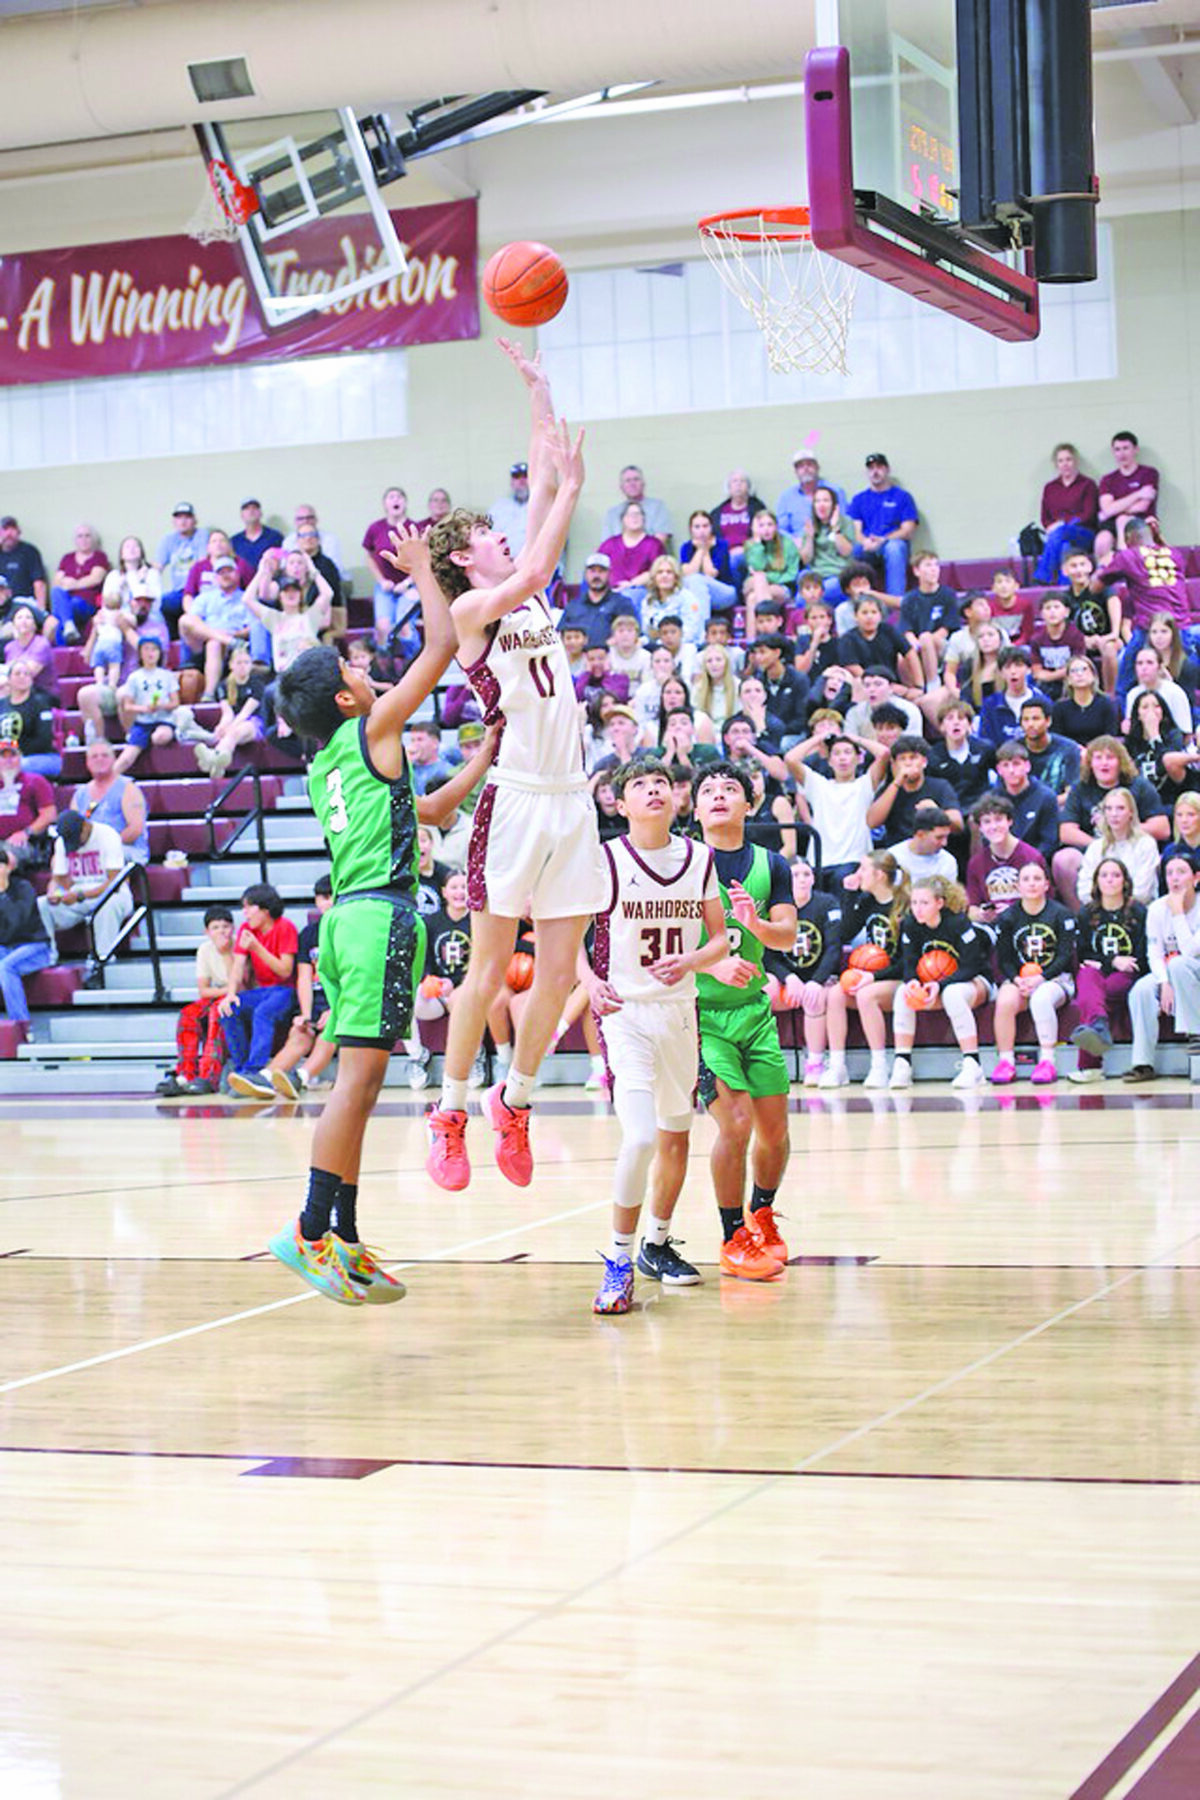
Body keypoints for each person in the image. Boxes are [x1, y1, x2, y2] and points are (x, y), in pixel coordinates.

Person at [424, 341, 608, 1194]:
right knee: (488, 970)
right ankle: (450, 1111)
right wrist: (574, 490)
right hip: (517, 800)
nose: (504, 533)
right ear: (466, 558)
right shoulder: (472, 607)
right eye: (487, 534)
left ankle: (518, 1101)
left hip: (573, 800)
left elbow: (538, 476)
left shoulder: (524, 594)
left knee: (561, 972)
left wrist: (538, 390)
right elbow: (538, 548)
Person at [263, 530, 454, 1299]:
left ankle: (343, 1236)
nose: (366, 672)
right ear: (345, 699)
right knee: (356, 1085)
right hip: (378, 918)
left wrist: (485, 762)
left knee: (363, 1086)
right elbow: (440, 646)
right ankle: (310, 1230)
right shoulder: (374, 728)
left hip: (348, 920)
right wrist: (423, 573)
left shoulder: (327, 765)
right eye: (353, 668)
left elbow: (426, 809)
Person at [583, 758, 730, 1314]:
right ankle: (618, 1262)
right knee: (641, 1136)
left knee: (675, 1134)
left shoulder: (699, 858)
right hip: (625, 1013)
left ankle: (657, 1244)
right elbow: (565, 934)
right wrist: (588, 981)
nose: (653, 791)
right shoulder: (605, 860)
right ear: (620, 804)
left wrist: (690, 960)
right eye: (640, 786)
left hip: (680, 1012)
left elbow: (720, 940)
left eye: (661, 784)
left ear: (676, 798)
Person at [691, 761, 796, 1280]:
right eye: (708, 790)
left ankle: (762, 1213)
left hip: (754, 1013)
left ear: (748, 805)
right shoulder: (682, 864)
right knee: (735, 1124)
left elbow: (787, 937)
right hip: (701, 1016)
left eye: (729, 789)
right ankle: (732, 1237)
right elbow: (661, 945)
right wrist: (711, 964)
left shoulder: (770, 865)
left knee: (774, 1131)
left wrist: (756, 925)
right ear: (694, 809)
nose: (718, 796)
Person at [890, 876, 992, 1089]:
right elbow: (908, 963)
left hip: (975, 981)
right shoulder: (910, 924)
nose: (918, 909)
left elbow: (972, 965)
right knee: (903, 993)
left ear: (939, 903)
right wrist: (912, 982)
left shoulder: (958, 923)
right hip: (936, 985)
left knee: (953, 994)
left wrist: (941, 984)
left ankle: (973, 1064)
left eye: (924, 903)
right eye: (914, 903)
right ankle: (902, 1063)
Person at [819, 850, 910, 1089]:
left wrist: (873, 976)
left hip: (900, 977)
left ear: (879, 875)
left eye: (863, 869)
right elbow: (844, 933)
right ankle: (837, 1066)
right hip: (875, 976)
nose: (857, 874)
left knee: (866, 995)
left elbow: (908, 961)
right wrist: (850, 893)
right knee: (836, 994)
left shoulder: (905, 906)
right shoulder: (867, 901)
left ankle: (879, 1066)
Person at [989, 861, 1077, 1085]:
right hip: (1021, 979)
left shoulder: (1062, 914)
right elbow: (1004, 959)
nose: (1031, 884)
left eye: (1037, 879)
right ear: (1018, 886)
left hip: (1056, 978)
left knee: (1041, 998)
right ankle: (1006, 1062)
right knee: (1005, 1000)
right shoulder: (1007, 918)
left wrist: (1041, 978)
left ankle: (1047, 1061)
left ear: (1047, 884)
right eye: (1026, 879)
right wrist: (1017, 980)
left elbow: (1064, 956)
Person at [1055, 736, 1170, 903]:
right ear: (1090, 763)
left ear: (1120, 762)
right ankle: (1081, 914)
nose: (1104, 763)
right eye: (1098, 758)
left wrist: (1123, 832)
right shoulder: (1080, 788)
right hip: (1095, 849)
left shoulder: (1140, 786)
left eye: (1110, 757)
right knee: (1064, 859)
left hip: (1132, 846)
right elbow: (1066, 831)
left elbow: (1162, 828)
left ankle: (1134, 909)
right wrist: (1102, 845)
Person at [764, 854, 842, 1084]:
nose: (801, 879)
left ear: (813, 878)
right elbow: (767, 954)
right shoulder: (775, 907)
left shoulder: (827, 904)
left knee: (814, 998)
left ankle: (815, 1064)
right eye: (795, 874)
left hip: (816, 978)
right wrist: (788, 978)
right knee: (764, 990)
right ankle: (764, 1061)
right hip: (787, 978)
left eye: (806, 874)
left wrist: (816, 981)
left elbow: (833, 949)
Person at [1068, 858, 1148, 1083]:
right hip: (1100, 972)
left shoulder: (1139, 912)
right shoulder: (1086, 914)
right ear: (1096, 882)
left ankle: (1091, 1066)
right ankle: (1099, 1024)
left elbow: (1141, 958)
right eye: (1104, 875)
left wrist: (1110, 964)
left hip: (1128, 975)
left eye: (1116, 875)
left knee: (1096, 995)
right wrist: (1112, 961)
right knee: (1086, 975)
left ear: (1125, 881)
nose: (1110, 880)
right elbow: (1084, 956)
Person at [785, 722, 890, 889]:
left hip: (852, 862)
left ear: (858, 758)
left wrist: (853, 738)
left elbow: (884, 753)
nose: (842, 758)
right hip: (819, 861)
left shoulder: (864, 785)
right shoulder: (819, 785)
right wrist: (820, 738)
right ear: (829, 761)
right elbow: (791, 758)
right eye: (836, 753)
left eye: (848, 752)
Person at [1124, 853, 1200, 1082]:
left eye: (1181, 872)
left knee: (1178, 963)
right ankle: (1143, 1063)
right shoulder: (1157, 908)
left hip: (1194, 970)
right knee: (1141, 990)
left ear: (1196, 878)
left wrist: (1177, 913)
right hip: (1171, 972)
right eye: (1169, 873)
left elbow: (1190, 951)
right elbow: (1154, 954)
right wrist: (1164, 982)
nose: (1174, 878)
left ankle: (1196, 1033)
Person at [263, 876, 338, 1100]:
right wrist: (305, 1014)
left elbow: (353, 978)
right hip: (315, 1000)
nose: (327, 902)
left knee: (329, 1032)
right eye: (322, 897)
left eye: (332, 896)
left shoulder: (350, 933)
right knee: (299, 1034)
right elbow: (304, 977)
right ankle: (265, 1078)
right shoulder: (308, 934)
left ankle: (301, 1078)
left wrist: (334, 1009)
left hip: (341, 1003)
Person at [38, 807, 130, 985]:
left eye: (76, 839)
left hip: (112, 894)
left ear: (85, 826)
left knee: (108, 905)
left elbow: (115, 882)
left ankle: (102, 962)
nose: (75, 845)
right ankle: (49, 957)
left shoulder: (108, 835)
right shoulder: (62, 842)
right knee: (42, 905)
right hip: (78, 895)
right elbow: (57, 879)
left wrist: (81, 895)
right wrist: (54, 892)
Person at [156, 904, 236, 1098]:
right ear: (206, 932)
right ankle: (186, 1074)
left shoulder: (239, 947)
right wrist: (225, 990)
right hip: (220, 993)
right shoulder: (205, 950)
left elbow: (239, 984)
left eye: (225, 926)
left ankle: (209, 1075)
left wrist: (226, 953)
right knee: (188, 1014)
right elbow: (203, 991)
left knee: (218, 1011)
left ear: (233, 928)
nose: (221, 931)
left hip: (238, 996)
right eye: (215, 927)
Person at [867, 735, 963, 846]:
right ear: (895, 764)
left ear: (924, 762)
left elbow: (958, 826)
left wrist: (936, 812)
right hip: (897, 850)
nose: (908, 763)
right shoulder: (889, 790)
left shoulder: (941, 786)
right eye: (902, 759)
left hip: (932, 848)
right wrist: (897, 782)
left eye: (913, 758)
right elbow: (872, 822)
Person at [846, 453, 918, 596]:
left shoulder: (902, 497)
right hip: (868, 545)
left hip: (892, 543)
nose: (875, 471)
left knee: (894, 548)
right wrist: (866, 542)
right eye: (871, 468)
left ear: (887, 470)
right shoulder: (859, 499)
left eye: (879, 467)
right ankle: (860, 600)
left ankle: (895, 601)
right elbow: (856, 531)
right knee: (855, 550)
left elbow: (908, 530)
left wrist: (884, 540)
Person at [966, 794, 1046, 922]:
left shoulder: (1032, 857)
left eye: (998, 820)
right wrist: (982, 915)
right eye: (987, 822)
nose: (993, 827)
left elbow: (1045, 902)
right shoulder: (976, 863)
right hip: (993, 925)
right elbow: (972, 908)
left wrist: (1013, 911)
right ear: (980, 827)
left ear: (1009, 821)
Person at [70, 737, 149, 864]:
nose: (99, 759)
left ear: (114, 759)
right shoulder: (80, 794)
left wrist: (105, 845)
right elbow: (73, 828)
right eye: (94, 756)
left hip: (125, 850)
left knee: (101, 859)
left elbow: (135, 829)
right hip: (90, 852)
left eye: (105, 755)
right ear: (87, 763)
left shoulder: (128, 788)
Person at [1076, 787, 1159, 906]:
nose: (1114, 814)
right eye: (1109, 809)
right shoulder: (1096, 847)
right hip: (1100, 909)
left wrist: (1115, 904)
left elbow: (1142, 892)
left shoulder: (1146, 844)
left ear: (1131, 812)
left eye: (1120, 808)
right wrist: (1106, 905)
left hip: (1136, 910)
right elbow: (1084, 889)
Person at [0, 840, 51, 1030]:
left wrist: (2, 893)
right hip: (7, 947)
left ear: (7, 868)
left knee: (6, 967)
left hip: (35, 947)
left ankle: (21, 1026)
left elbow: (17, 922)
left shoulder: (24, 888)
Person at [112, 637, 179, 776]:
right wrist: (144, 709)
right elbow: (128, 706)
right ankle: (107, 779)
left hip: (164, 720)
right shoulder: (134, 677)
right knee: (127, 757)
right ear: (140, 653)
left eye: (154, 649)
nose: (150, 653)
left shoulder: (167, 676)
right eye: (146, 649)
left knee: (161, 737)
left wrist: (161, 706)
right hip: (142, 722)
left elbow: (175, 703)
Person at [1035, 442, 1099, 580]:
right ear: (1056, 464)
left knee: (1061, 532)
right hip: (1058, 537)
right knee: (1065, 547)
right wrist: (1052, 527)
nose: (1065, 464)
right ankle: (1064, 587)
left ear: (1075, 461)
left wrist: (1062, 525)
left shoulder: (1087, 484)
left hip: (1084, 533)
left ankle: (1042, 577)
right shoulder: (1050, 488)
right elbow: (1045, 518)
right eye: (1061, 461)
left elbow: (1088, 514)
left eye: (1068, 459)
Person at [1061, 550, 1121, 693]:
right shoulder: (1065, 597)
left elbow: (1114, 603)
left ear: (1090, 567)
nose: (1079, 570)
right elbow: (1066, 627)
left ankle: (1111, 695)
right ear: (1065, 571)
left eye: (1082, 565)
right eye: (1074, 566)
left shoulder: (1102, 589)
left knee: (1109, 649)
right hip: (1081, 641)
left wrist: (1113, 634)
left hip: (1108, 639)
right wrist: (1083, 639)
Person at [1094, 430, 1159, 561]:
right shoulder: (1108, 479)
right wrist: (1138, 494)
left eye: (1126, 448)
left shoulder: (1149, 473)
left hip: (1142, 520)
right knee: (1102, 541)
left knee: (1123, 520)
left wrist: (1115, 509)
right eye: (1117, 449)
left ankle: (1125, 562)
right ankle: (1104, 572)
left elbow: (1141, 506)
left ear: (1135, 450)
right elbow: (1107, 509)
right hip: (1111, 523)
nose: (1122, 454)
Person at [992, 742, 1060, 865]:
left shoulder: (1046, 797)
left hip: (1035, 862)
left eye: (1016, 764)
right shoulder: (992, 799)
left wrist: (1027, 861)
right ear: (999, 770)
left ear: (1027, 766)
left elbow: (1049, 841)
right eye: (1006, 765)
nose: (1011, 770)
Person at [1125, 689, 1197, 804]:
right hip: (1140, 799)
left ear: (1163, 712)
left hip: (1170, 795)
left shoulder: (1174, 735)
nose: (1151, 712)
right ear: (1138, 715)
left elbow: (1165, 761)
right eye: (1145, 707)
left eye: (1156, 706)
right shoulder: (1131, 741)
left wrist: (1154, 735)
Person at [362, 486, 415, 644]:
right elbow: (369, 557)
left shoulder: (414, 528)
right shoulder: (375, 528)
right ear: (385, 504)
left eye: (399, 497)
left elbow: (422, 560)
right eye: (391, 497)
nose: (395, 500)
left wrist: (407, 583)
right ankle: (384, 657)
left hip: (410, 585)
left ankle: (413, 656)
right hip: (385, 586)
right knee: (382, 626)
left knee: (404, 626)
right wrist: (381, 581)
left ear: (405, 503)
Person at [898, 550, 958, 686]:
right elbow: (906, 630)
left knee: (926, 638)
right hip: (919, 643)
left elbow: (947, 628)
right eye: (928, 565)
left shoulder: (948, 594)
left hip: (942, 643)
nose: (933, 569)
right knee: (901, 656)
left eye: (936, 565)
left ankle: (932, 682)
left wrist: (926, 642)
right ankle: (916, 688)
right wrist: (916, 644)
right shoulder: (909, 599)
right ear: (916, 571)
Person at [928, 697, 995, 814]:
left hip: (981, 809)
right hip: (948, 810)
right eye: (950, 718)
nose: (956, 722)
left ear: (970, 724)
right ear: (942, 726)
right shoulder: (933, 755)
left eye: (961, 718)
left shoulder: (985, 748)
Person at [50, 523, 110, 642]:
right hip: (66, 601)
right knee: (56, 591)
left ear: (93, 539)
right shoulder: (67, 558)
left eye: (87, 536)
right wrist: (63, 582)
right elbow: (56, 582)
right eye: (80, 536)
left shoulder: (99, 557)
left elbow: (96, 578)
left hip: (87, 604)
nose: (84, 539)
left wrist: (74, 584)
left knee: (70, 607)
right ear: (75, 540)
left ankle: (67, 627)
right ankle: (69, 627)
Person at [978, 646, 1049, 747]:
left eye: (1018, 665)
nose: (1013, 671)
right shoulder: (991, 705)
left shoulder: (1043, 701)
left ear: (1028, 669)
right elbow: (986, 742)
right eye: (1007, 667)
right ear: (1001, 673)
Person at [0, 659, 59, 779]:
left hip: (39, 757)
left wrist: (12, 751)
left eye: (26, 674)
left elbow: (44, 740)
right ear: (9, 679)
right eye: (17, 674)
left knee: (11, 765)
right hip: (6, 755)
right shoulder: (2, 704)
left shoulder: (41, 704)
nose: (22, 677)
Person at [0, 740, 55, 860]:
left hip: (23, 843)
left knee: (4, 857)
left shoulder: (35, 781)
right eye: (3, 757)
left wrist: (26, 832)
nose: (8, 761)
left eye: (13, 756)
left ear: (20, 758)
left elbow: (49, 815)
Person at [795, 486, 853, 602]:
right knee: (800, 596)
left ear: (834, 506)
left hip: (838, 575)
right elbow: (806, 559)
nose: (821, 505)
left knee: (819, 593)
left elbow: (846, 552)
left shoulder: (846, 522)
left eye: (826, 501)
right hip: (816, 576)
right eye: (817, 501)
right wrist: (810, 537)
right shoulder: (810, 524)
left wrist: (835, 528)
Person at [1121, 644, 1193, 736]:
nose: (1144, 668)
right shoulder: (1132, 694)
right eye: (1139, 663)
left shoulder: (1175, 692)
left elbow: (1186, 732)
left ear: (1159, 667)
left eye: (1150, 663)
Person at [742, 510, 801, 619]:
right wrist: (758, 544)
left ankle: (759, 627)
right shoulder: (750, 545)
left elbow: (792, 573)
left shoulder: (788, 544)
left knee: (752, 598)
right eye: (761, 525)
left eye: (770, 525)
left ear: (776, 527)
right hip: (753, 583)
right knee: (759, 578)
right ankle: (768, 625)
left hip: (782, 586)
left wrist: (767, 578)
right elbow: (757, 567)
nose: (766, 529)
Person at [1029, 591, 1087, 699]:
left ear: (1067, 612)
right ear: (1041, 614)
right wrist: (1049, 676)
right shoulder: (1036, 638)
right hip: (1045, 684)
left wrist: (1050, 676)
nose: (1052, 612)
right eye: (1048, 608)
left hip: (1070, 680)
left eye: (1056, 607)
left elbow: (1076, 666)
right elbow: (1037, 671)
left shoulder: (1076, 635)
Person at [1052, 654, 1120, 747]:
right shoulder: (1059, 707)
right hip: (1070, 752)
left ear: (1093, 676)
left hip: (1100, 751)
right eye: (1074, 671)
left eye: (1084, 669)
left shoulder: (1106, 703)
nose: (1079, 674)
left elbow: (1110, 735)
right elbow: (1058, 739)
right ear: (1068, 680)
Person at [776, 450, 847, 538]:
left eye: (809, 464)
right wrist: (794, 541)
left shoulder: (836, 491)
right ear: (796, 472)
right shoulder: (786, 497)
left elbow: (845, 523)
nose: (806, 468)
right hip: (798, 544)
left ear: (817, 468)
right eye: (801, 466)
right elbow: (781, 530)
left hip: (831, 542)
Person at [707, 471, 766, 576]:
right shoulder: (718, 512)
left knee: (735, 560)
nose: (738, 484)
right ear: (728, 488)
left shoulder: (757, 509)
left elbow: (765, 533)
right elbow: (711, 537)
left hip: (750, 553)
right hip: (723, 554)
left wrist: (745, 548)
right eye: (734, 481)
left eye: (742, 481)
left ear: (748, 487)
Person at [156, 502, 207, 624]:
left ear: (195, 520)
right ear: (174, 521)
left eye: (187, 517)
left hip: (199, 591)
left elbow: (203, 563)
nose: (183, 521)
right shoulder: (168, 539)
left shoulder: (202, 535)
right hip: (179, 592)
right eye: (179, 517)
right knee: (162, 603)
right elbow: (158, 566)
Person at [1019, 697, 1081, 796]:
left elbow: (1071, 794)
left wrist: (1048, 804)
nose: (1030, 724)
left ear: (1048, 721)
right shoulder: (1013, 749)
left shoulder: (1069, 748)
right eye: (1025, 719)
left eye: (1035, 719)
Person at [597, 502, 664, 593]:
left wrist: (631, 584)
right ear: (622, 519)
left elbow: (657, 571)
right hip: (611, 592)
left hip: (641, 591)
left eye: (638, 514)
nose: (635, 517)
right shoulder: (610, 544)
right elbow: (598, 569)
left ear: (644, 518)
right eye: (630, 515)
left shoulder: (654, 545)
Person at [678, 509, 736, 615]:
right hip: (696, 591)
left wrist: (705, 550)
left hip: (724, 592)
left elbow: (710, 574)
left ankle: (702, 622)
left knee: (697, 580)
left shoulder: (722, 545)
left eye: (705, 526)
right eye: (697, 527)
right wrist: (700, 550)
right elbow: (688, 573)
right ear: (691, 529)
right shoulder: (686, 547)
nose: (702, 531)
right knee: (694, 580)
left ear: (711, 527)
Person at [601, 465, 673, 546]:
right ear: (621, 487)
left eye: (636, 479)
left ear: (643, 484)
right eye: (628, 481)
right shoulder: (612, 514)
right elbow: (606, 545)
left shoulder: (658, 507)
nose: (632, 484)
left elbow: (660, 540)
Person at [891, 807, 957, 884]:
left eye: (946, 837)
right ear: (920, 834)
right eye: (939, 837)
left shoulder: (947, 862)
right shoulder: (893, 858)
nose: (944, 843)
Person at [282, 503, 346, 577]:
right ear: (295, 522)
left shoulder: (330, 539)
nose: (305, 521)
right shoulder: (288, 541)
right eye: (301, 519)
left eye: (309, 518)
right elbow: (284, 566)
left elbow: (336, 568)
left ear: (316, 520)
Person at [231, 498, 283, 571]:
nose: (251, 511)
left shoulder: (275, 537)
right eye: (246, 509)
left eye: (254, 508)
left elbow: (283, 560)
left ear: (260, 513)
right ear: (242, 515)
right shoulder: (234, 541)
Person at [989, 566, 1035, 645]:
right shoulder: (989, 607)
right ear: (993, 588)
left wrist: (1014, 645)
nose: (1003, 586)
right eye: (999, 582)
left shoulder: (1025, 605)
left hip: (1020, 646)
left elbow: (1027, 633)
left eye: (1008, 581)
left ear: (1016, 586)